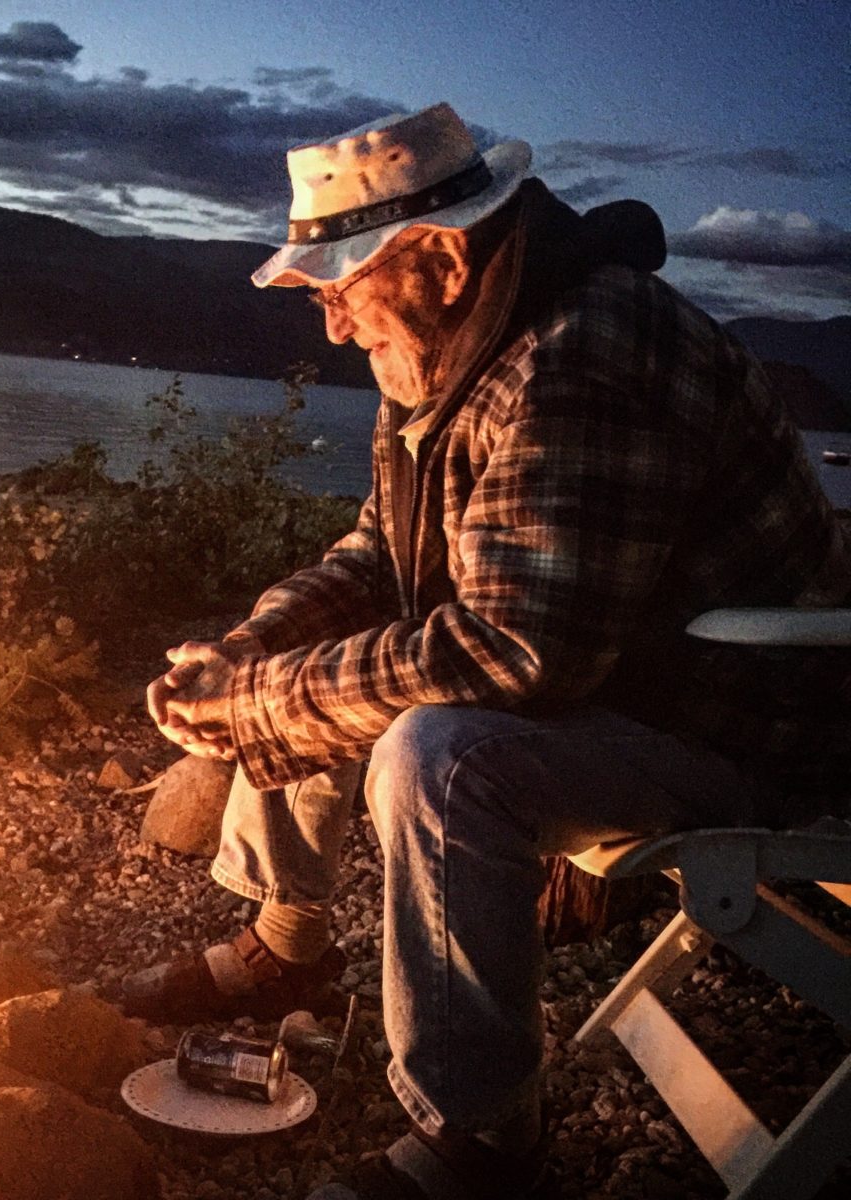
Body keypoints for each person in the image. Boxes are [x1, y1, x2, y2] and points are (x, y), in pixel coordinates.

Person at [123, 102, 851, 1200]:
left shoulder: (585, 351)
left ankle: (483, 1145)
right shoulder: (440, 357)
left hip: (731, 730)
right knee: (303, 668)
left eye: (340, 289)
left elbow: (514, 653)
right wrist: (245, 652)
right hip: (619, 678)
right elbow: (379, 555)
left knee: (440, 755)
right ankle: (288, 939)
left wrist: (264, 700)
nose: (330, 325)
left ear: (444, 259)